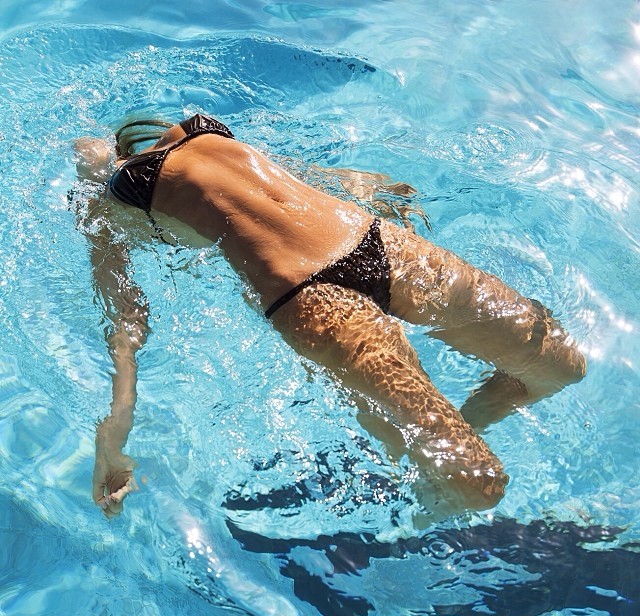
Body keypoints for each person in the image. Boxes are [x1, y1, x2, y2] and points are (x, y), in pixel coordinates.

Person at [74, 113, 586, 519]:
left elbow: (289, 175)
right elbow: (126, 321)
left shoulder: (175, 144)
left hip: (377, 241)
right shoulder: (114, 201)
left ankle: (447, 444)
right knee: (480, 486)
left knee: (562, 366)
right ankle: (427, 507)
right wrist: (113, 433)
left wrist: (370, 189)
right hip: (313, 297)